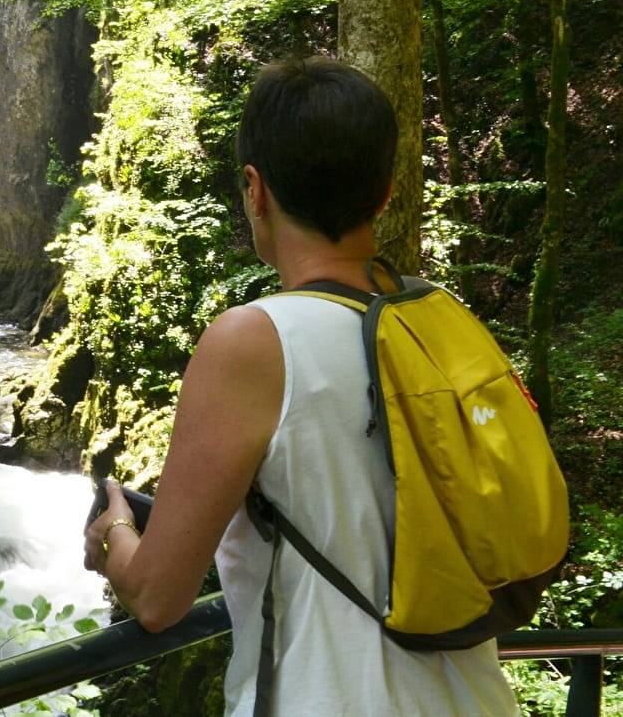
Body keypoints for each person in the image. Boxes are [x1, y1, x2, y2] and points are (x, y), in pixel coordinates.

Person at [82, 56, 519, 715]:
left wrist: (115, 529)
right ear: (386, 190)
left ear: (255, 190)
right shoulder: (442, 316)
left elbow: (157, 597)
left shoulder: (251, 343)